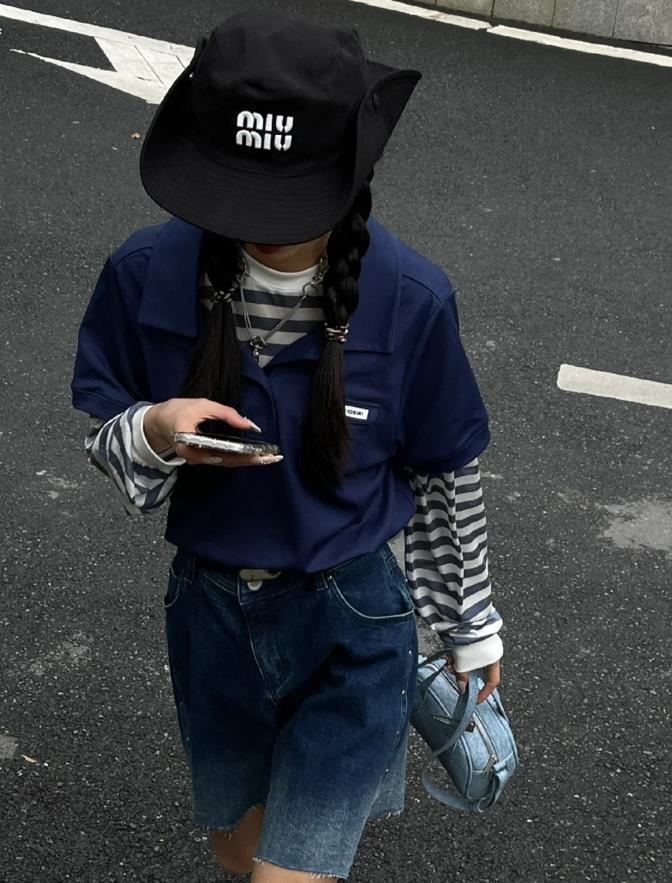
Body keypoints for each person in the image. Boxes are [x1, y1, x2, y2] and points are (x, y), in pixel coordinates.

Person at [71, 10, 503, 882]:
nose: (260, 222)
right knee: (240, 853)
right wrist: (153, 430)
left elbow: (443, 473)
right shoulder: (144, 272)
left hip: (352, 623)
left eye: (287, 195)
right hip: (210, 618)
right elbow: (105, 433)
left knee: (286, 874)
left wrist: (471, 624)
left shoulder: (411, 298)